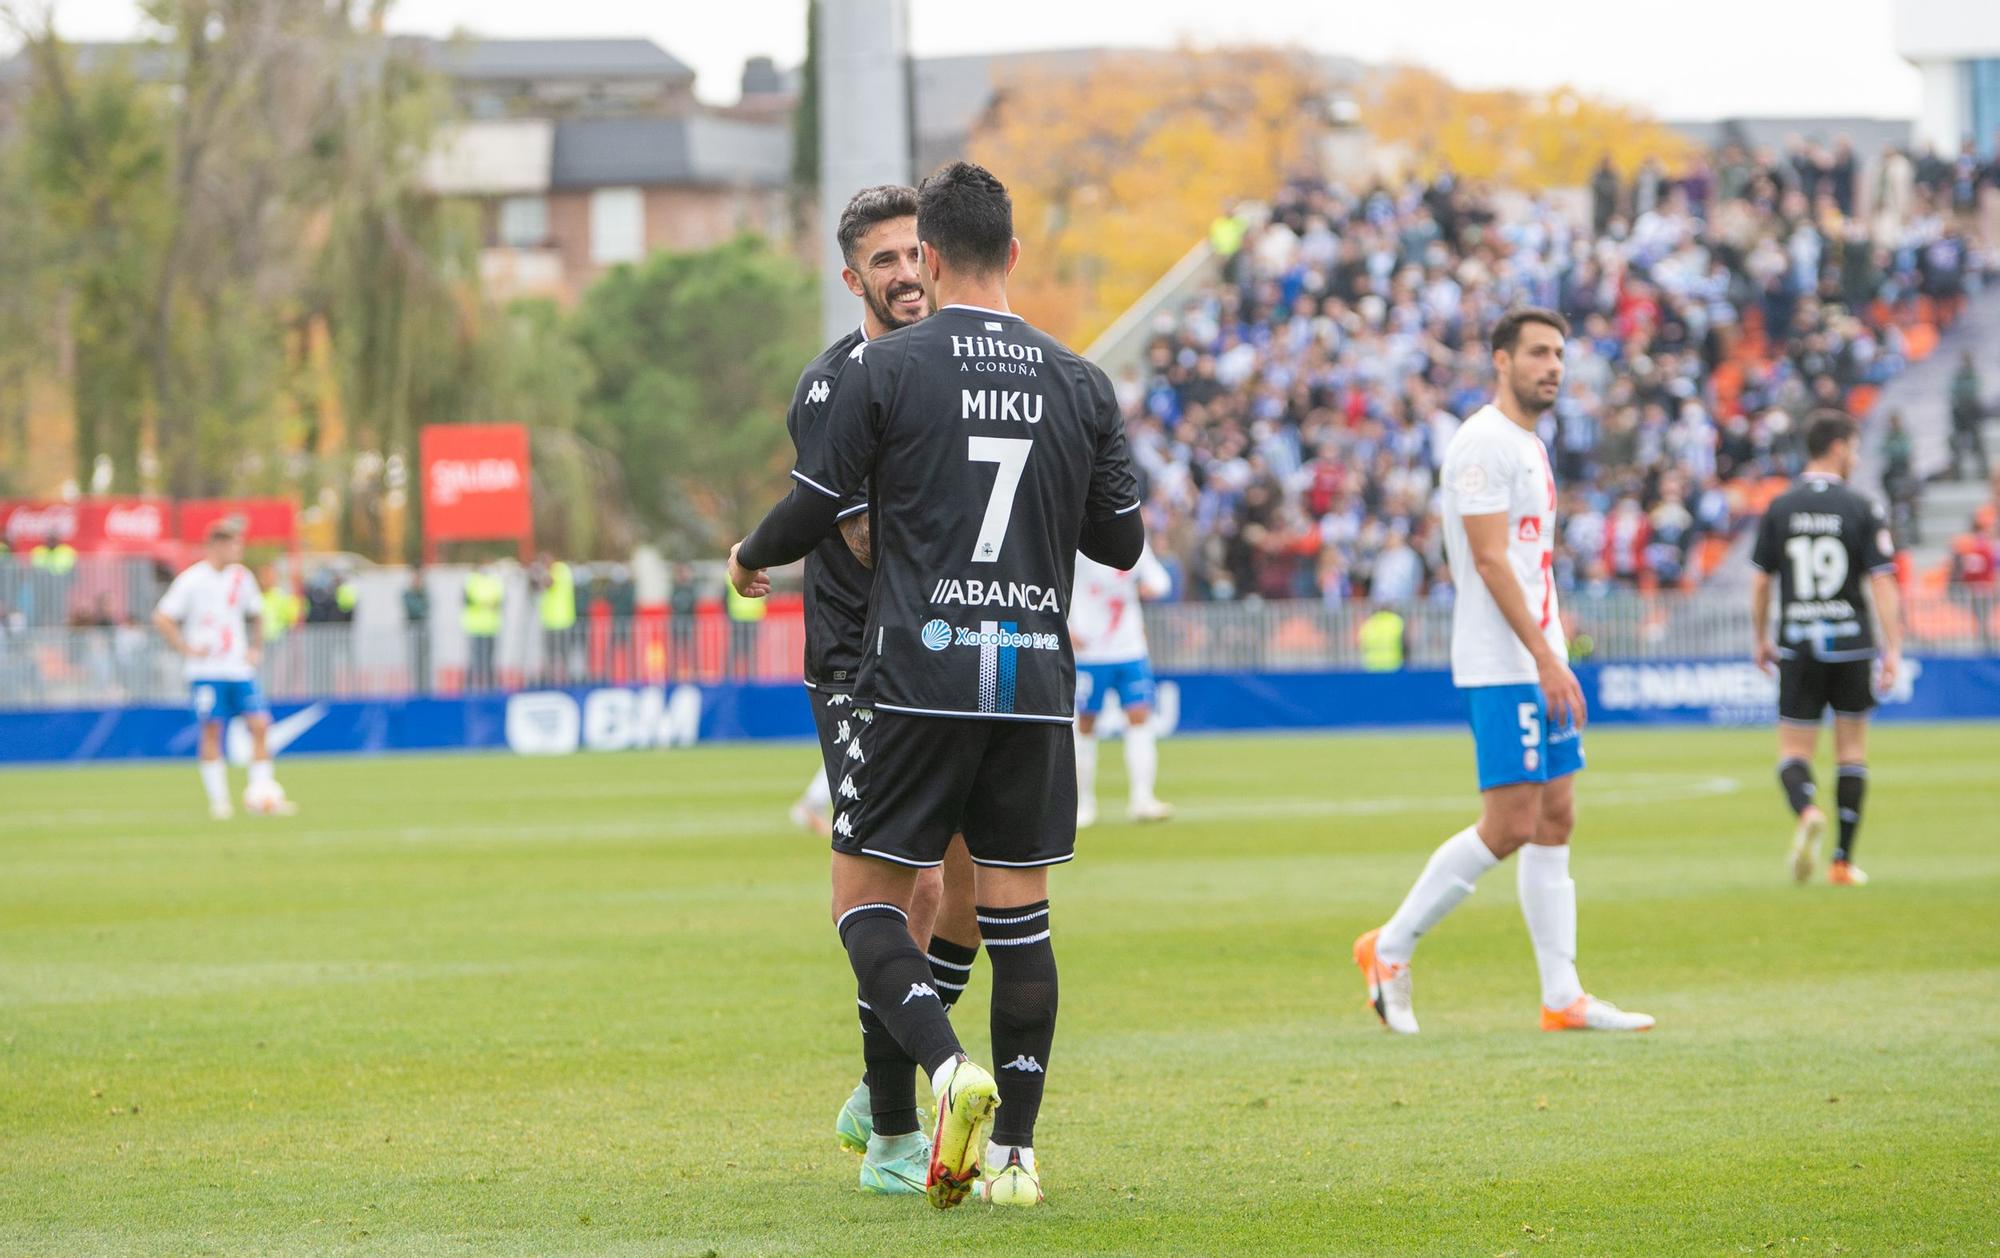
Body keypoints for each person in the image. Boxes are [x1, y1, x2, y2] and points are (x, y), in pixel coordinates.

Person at [729, 162, 1144, 1208]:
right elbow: (1122, 543)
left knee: (866, 900)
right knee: (1018, 917)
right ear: (1011, 254)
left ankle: (939, 1070)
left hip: (916, 672)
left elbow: (810, 508)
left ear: (937, 257)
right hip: (1034, 674)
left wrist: (743, 559)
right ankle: (1012, 1156)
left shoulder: (892, 370)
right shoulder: (1080, 379)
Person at [1353, 307, 1654, 1035]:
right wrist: (1546, 657)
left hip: (1539, 652)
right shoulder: (1483, 445)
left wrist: (1557, 635)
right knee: (1512, 821)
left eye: (1559, 353)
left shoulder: (1528, 444)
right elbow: (1487, 562)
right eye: (1538, 354)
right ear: (1501, 361)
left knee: (1557, 816)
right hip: (1504, 662)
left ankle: (1563, 996)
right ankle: (1388, 948)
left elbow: (1527, 561)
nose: (1553, 366)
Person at [772, 183, 982, 1196]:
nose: (905, 274)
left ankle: (884, 1075)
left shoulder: (965, 363)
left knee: (972, 893)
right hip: (861, 662)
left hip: (948, 657)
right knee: (908, 890)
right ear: (853, 278)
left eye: (915, 254)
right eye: (883, 261)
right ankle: (897, 1132)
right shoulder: (837, 385)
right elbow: (860, 532)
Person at [1751, 410, 1903, 886]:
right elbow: (1882, 583)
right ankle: (1841, 861)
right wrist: (1892, 647)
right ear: (1837, 447)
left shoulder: (1780, 507)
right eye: (1854, 447)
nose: (1855, 457)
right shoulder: (1861, 506)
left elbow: (1760, 583)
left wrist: (1760, 637)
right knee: (1851, 751)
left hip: (1797, 642)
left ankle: (1807, 810)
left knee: (1793, 751)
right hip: (1851, 644)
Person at [151, 517, 295, 819]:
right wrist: (185, 648)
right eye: (234, 544)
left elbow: (256, 614)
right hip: (206, 671)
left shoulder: (242, 578)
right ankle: (220, 803)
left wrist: (256, 648)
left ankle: (262, 794)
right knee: (212, 730)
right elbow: (162, 617)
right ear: (217, 545)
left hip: (239, 669)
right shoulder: (192, 579)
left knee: (260, 724)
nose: (238, 549)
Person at [1069, 543, 1173, 825]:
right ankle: (1083, 804)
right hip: (1090, 650)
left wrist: (1152, 588)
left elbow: (1161, 580)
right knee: (1085, 724)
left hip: (1130, 648)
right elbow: (1056, 581)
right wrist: (1066, 624)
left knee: (1140, 717)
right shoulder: (1079, 547)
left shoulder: (1133, 542)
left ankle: (1142, 798)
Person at [533, 552, 576, 684]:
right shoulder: (552, 571)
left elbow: (549, 583)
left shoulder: (561, 569)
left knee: (564, 654)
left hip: (562, 621)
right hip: (550, 622)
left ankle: (566, 680)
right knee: (551, 655)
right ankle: (552, 678)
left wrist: (539, 574)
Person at [1879, 411, 1920, 546]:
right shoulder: (1889, 437)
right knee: (1894, 511)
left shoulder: (1904, 436)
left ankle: (1915, 535)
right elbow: (1882, 450)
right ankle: (1897, 539)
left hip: (1905, 475)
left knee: (1912, 508)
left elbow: (1903, 453)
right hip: (1893, 476)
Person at [462, 563, 502, 691]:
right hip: (475, 628)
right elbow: (467, 599)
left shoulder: (493, 581)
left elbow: (498, 601)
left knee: (488, 662)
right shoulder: (472, 581)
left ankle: (490, 688)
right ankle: (469, 689)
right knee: (475, 661)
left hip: (490, 627)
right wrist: (486, 603)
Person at [1949, 352, 1988, 482]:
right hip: (1960, 415)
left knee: (1978, 444)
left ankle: (1984, 472)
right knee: (1956, 444)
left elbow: (1973, 390)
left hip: (1972, 414)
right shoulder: (1959, 376)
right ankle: (1957, 474)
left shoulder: (1973, 375)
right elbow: (1953, 390)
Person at [403, 567, 431, 694]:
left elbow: (425, 608)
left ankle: (424, 688)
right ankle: (415, 689)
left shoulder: (424, 593)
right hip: (412, 632)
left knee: (424, 662)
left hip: (423, 632)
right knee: (413, 661)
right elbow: (416, 610)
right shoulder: (407, 594)